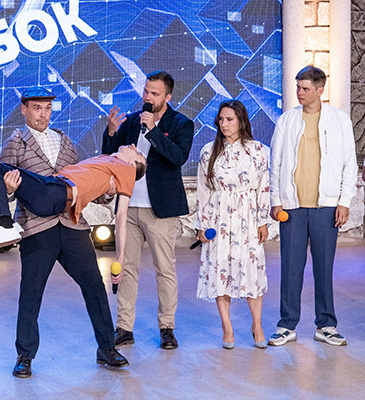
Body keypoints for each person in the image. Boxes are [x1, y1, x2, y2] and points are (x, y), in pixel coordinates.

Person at [0, 86, 129, 378]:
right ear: (24, 110)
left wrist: (107, 191)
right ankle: (25, 356)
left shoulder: (65, 141)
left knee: (94, 285)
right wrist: (9, 190)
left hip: (71, 223)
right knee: (31, 292)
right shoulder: (15, 143)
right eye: (37, 108)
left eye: (47, 108)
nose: (43, 114)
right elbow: (4, 188)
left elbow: (83, 181)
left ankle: (107, 347)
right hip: (36, 226)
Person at [102, 71, 194, 349]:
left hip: (160, 209)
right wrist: (111, 132)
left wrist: (153, 130)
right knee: (126, 268)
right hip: (128, 206)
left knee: (164, 269)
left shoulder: (181, 123)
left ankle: (167, 327)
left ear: (168, 96)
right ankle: (124, 327)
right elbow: (110, 156)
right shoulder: (132, 121)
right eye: (146, 91)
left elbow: (178, 157)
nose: (148, 97)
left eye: (154, 93)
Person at [268, 66, 358, 347]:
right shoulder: (286, 120)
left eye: (305, 88)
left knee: (324, 267)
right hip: (292, 207)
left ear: (320, 90)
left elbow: (349, 164)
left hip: (326, 206)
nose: (299, 92)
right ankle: (287, 325)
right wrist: (276, 200)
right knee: (290, 268)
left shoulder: (339, 120)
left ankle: (326, 325)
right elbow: (275, 163)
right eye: (297, 87)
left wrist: (344, 202)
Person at [195, 100, 269, 349]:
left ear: (241, 121)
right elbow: (203, 190)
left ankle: (257, 324)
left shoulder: (257, 150)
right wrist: (202, 223)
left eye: (229, 119)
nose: (224, 124)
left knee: (251, 269)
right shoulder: (209, 151)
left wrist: (263, 221)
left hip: (248, 217)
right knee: (220, 270)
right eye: (221, 119)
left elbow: (263, 187)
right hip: (219, 218)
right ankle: (227, 327)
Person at [0, 144, 146, 252]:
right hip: (49, 189)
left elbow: (121, 215)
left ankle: (6, 226)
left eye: (138, 152)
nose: (133, 145)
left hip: (57, 192)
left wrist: (121, 258)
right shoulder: (108, 160)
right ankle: (7, 225)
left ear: (132, 165)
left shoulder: (127, 170)